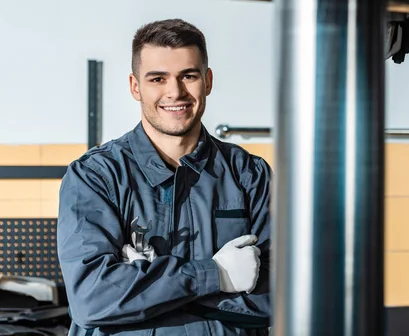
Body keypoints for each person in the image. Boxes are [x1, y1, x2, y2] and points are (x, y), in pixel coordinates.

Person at [56, 19, 272, 336]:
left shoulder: (249, 174)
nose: (175, 91)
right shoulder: (95, 177)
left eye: (188, 76)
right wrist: (216, 275)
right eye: (158, 78)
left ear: (207, 81)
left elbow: (281, 296)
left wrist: (143, 287)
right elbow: (91, 299)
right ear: (135, 86)